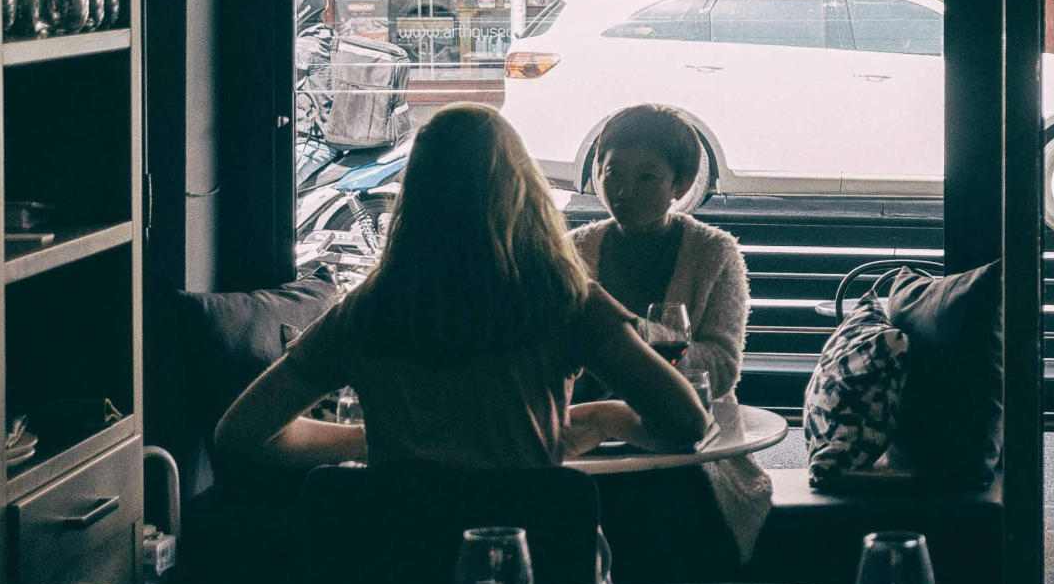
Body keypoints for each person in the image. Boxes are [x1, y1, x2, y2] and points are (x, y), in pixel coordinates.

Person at [215, 104, 709, 474]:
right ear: (524, 192)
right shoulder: (565, 300)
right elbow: (686, 423)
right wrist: (602, 417)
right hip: (532, 564)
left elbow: (240, 437)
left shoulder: (368, 311)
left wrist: (370, 441)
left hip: (397, 571)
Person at [570, 104, 770, 574]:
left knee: (665, 503)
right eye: (611, 172)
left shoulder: (713, 251)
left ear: (679, 185)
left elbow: (722, 365)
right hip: (589, 432)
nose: (622, 190)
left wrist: (632, 344)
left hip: (688, 438)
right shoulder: (575, 248)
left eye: (647, 178)